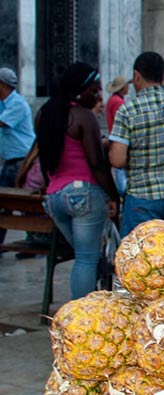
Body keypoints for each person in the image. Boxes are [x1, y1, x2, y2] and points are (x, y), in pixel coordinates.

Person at [35, 63, 120, 299]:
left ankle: (85, 310)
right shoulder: (83, 117)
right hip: (82, 195)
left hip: (55, 197)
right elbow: (97, 164)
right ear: (81, 90)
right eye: (94, 91)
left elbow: (44, 157)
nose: (98, 96)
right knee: (86, 258)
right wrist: (113, 196)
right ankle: (83, 319)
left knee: (84, 256)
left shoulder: (44, 114)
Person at [108, 51, 164, 236]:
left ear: (136, 76)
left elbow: (118, 160)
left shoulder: (127, 111)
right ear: (163, 77)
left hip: (141, 196)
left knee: (138, 258)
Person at [0, 66, 36, 249]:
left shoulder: (16, 104)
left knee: (25, 204)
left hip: (21, 160)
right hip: (10, 160)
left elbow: (2, 122)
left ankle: (35, 241)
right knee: (4, 203)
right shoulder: (3, 103)